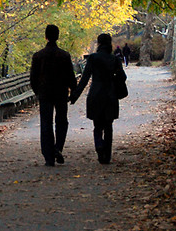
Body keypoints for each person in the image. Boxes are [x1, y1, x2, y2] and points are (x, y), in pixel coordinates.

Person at [70, 33, 126, 164]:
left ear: (99, 44)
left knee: (97, 125)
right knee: (108, 126)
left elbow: (84, 79)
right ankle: (107, 155)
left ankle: (99, 146)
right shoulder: (115, 59)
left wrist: (74, 96)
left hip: (95, 94)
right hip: (110, 95)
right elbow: (122, 77)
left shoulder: (93, 58)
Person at [30, 24, 77, 167]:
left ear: (46, 36)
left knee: (46, 123)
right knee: (62, 121)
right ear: (57, 36)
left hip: (45, 93)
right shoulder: (64, 55)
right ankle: (58, 148)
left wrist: (37, 91)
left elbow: (33, 78)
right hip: (61, 93)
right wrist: (73, 91)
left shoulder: (38, 56)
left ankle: (48, 157)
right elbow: (71, 76)